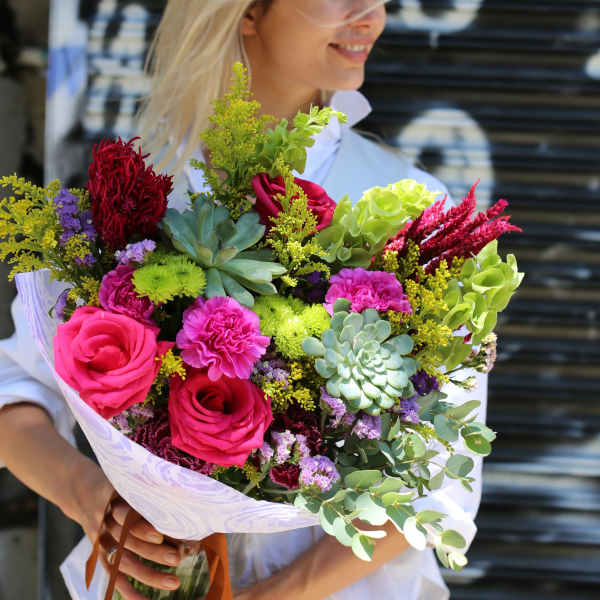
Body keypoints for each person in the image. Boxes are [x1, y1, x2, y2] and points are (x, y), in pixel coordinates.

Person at [0, 1, 487, 599]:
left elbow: (440, 481)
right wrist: (91, 499)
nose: (370, 17)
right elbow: (15, 392)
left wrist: (273, 593)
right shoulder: (141, 192)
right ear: (249, 11)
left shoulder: (413, 209)